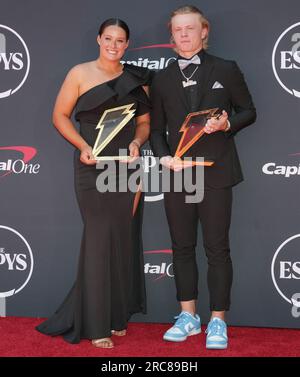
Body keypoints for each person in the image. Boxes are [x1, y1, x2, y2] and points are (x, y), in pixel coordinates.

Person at [36, 18, 151, 348]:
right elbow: (59, 116)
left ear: (127, 45)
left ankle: (116, 317)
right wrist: (82, 146)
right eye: (108, 38)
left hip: (126, 166)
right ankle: (97, 324)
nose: (114, 45)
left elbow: (144, 122)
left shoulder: (137, 78)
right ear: (99, 39)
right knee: (100, 238)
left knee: (122, 239)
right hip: (91, 164)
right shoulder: (79, 73)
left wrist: (137, 144)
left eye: (120, 40)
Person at [150, 5, 256, 349]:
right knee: (181, 248)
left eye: (190, 28)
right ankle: (188, 316)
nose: (183, 34)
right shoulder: (162, 77)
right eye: (178, 29)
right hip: (179, 174)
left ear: (204, 31)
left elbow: (249, 111)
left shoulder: (226, 68)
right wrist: (165, 158)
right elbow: (155, 130)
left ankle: (217, 321)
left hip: (216, 172)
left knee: (217, 249)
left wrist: (227, 124)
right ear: (172, 34)